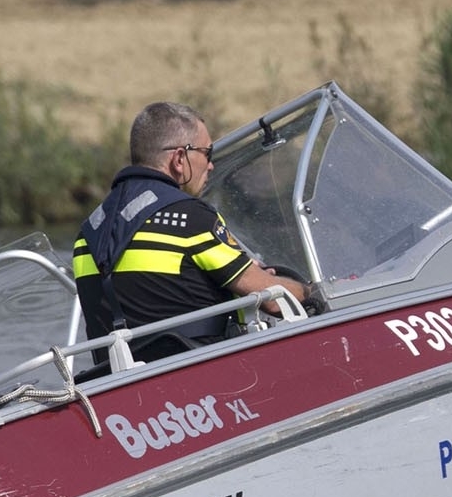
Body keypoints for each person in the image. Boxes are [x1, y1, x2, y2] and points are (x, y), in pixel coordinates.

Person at [72, 101, 307, 364]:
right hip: (201, 380)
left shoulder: (88, 232)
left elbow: (153, 292)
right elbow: (274, 300)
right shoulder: (190, 218)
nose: (211, 166)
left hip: (117, 386)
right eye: (207, 153)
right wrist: (311, 292)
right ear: (179, 159)